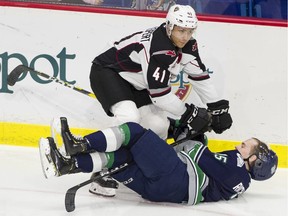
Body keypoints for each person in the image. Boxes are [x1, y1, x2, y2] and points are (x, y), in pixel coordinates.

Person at [88, 4, 233, 195]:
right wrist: (188, 114)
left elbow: (199, 77)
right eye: (181, 30)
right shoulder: (158, 47)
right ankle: (102, 172)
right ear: (169, 26)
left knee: (159, 125)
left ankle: (139, 162)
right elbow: (160, 96)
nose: (185, 36)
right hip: (108, 73)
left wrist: (218, 108)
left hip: (137, 83)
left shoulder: (188, 45)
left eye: (190, 31)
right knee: (128, 117)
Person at [39, 117, 278, 205]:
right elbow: (206, 162)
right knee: (122, 159)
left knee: (133, 131)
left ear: (255, 160)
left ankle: (79, 145)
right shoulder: (239, 179)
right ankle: (66, 165)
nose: (239, 145)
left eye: (246, 146)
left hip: (177, 177)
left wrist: (190, 138)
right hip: (162, 191)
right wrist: (192, 138)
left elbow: (200, 157)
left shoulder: (237, 170)